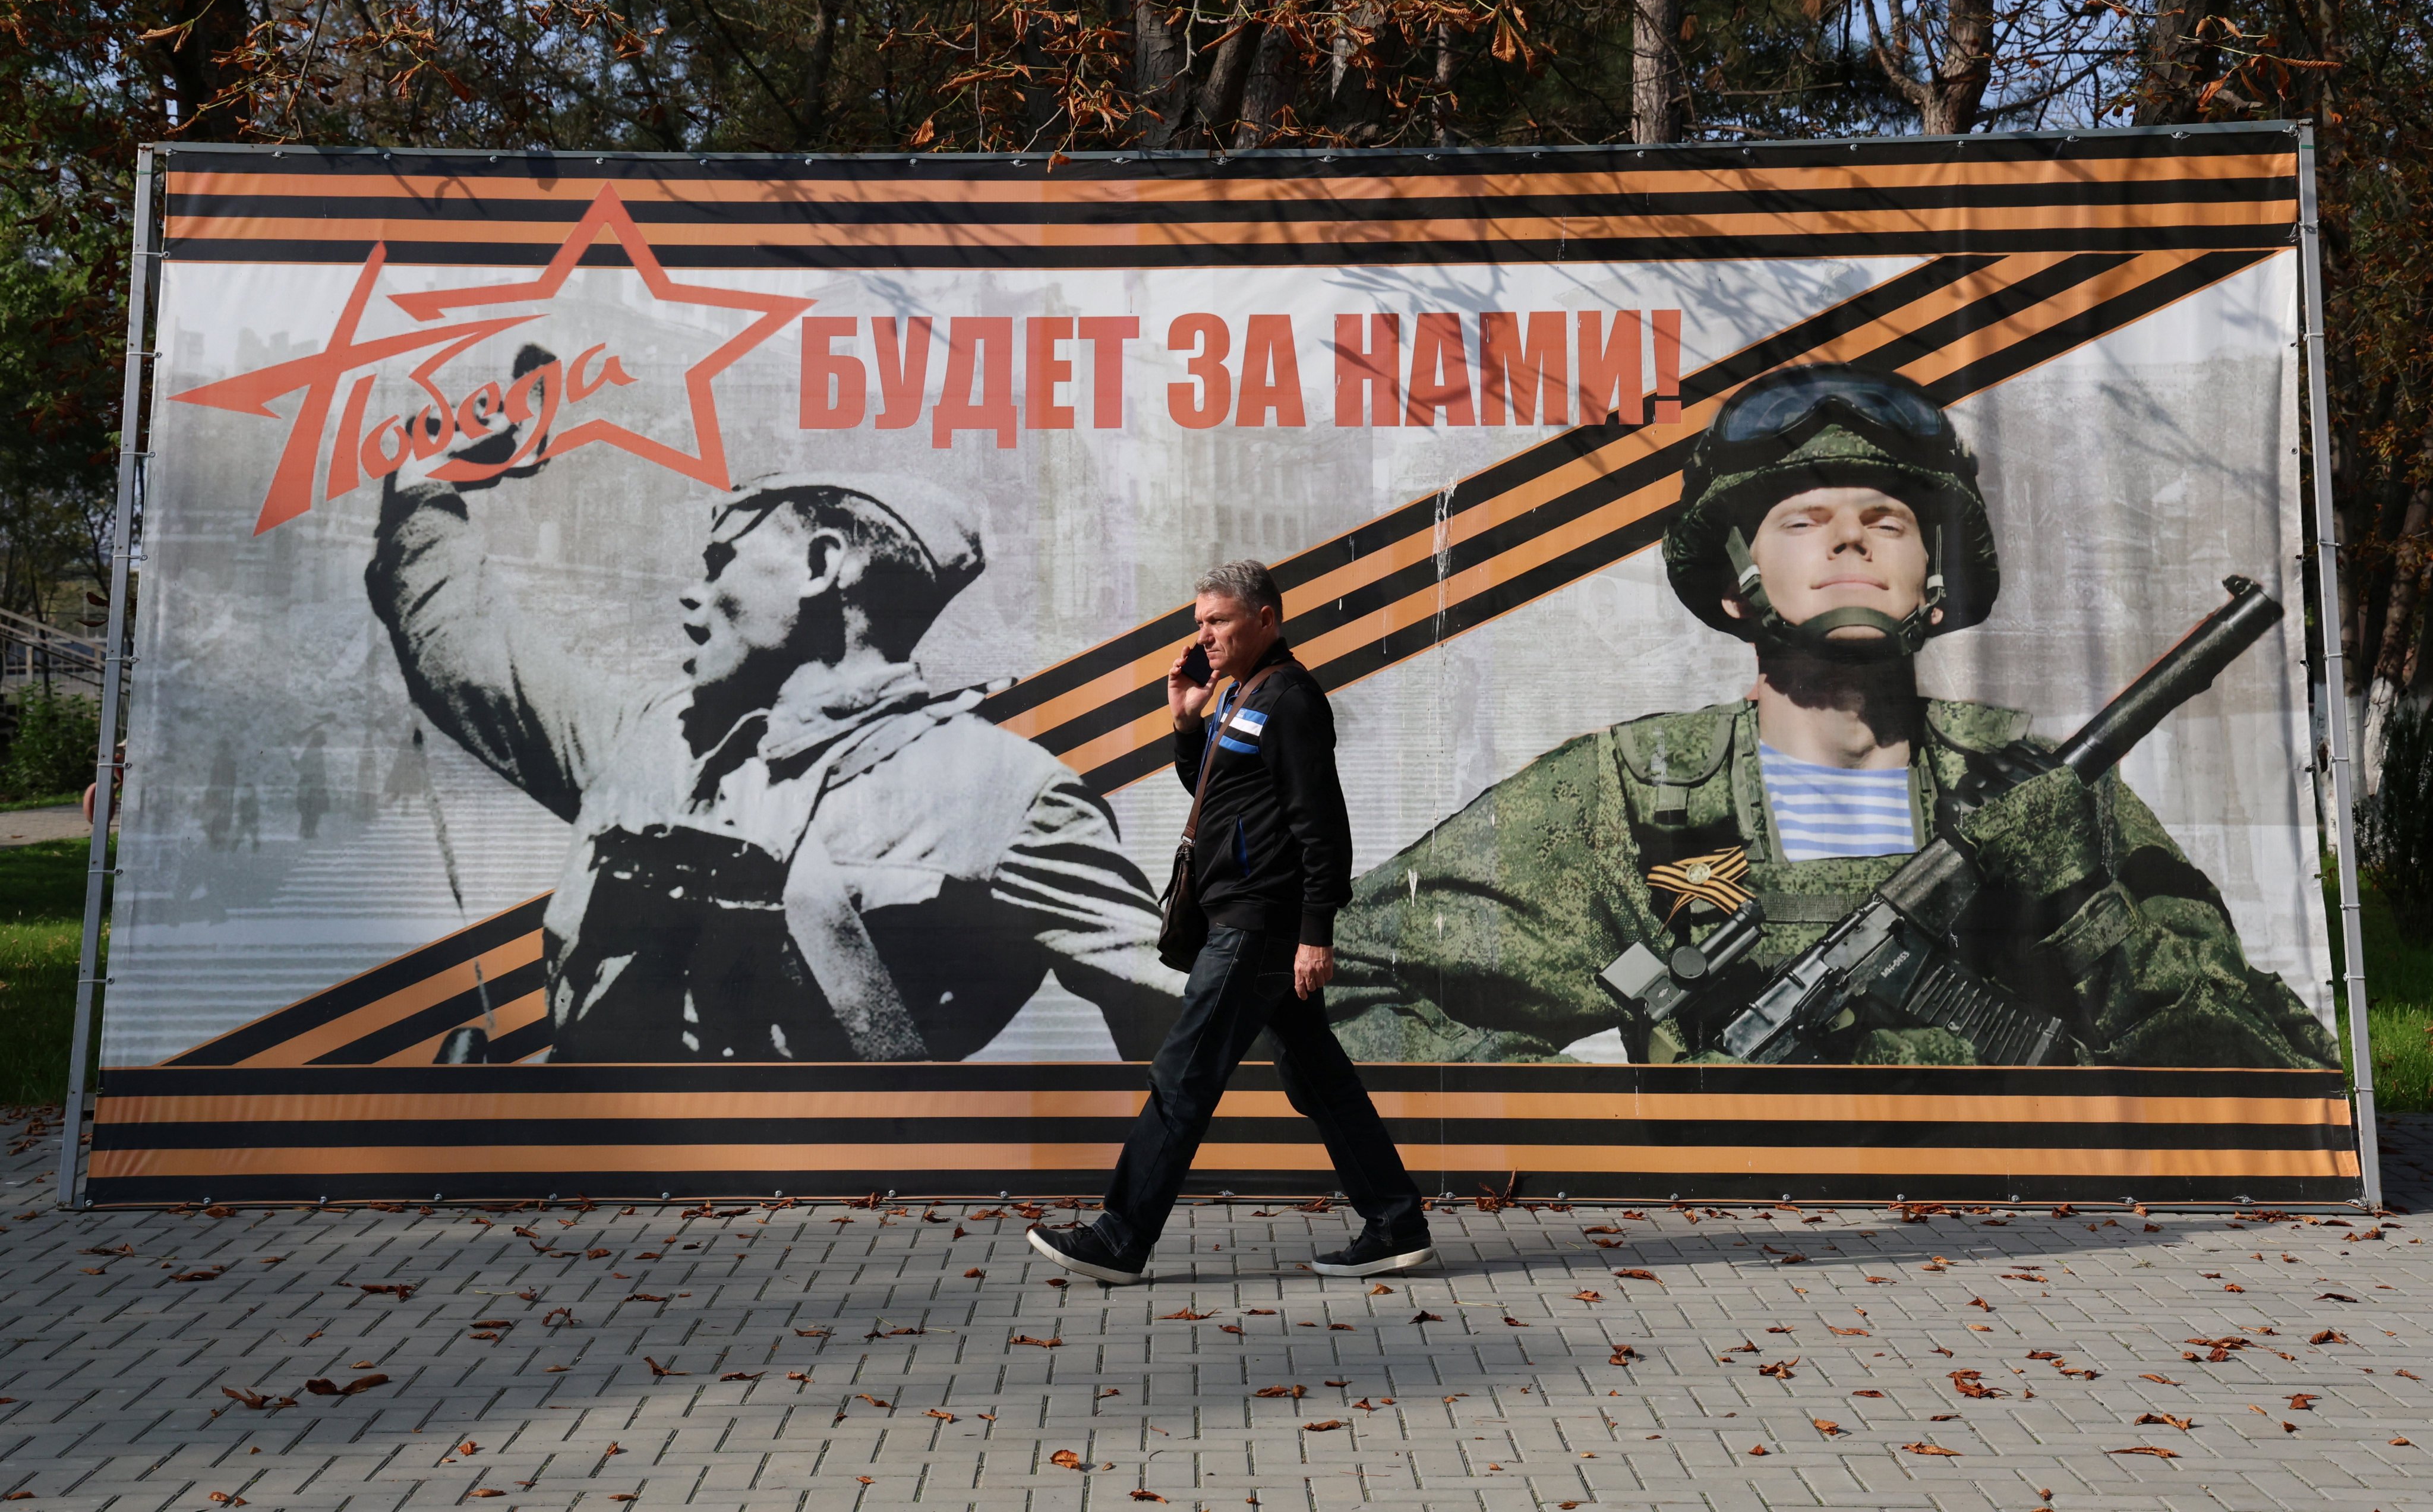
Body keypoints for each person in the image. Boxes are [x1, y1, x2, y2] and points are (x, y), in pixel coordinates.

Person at [1326, 364, 2340, 1070]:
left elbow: (2268, 1069)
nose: (1849, 538)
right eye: (1803, 519)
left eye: (1887, 519)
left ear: (1933, 580)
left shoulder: (2042, 793)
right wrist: (1600, 1122)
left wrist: (2083, 909)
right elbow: (1342, 977)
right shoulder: (1633, 798)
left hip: (2021, 1242)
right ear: (1735, 582)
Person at [363, 371, 1182, 1064]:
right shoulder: (648, 735)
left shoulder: (1006, 792)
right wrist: (429, 492)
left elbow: (1176, 1017)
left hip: (838, 1227)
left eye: (719, 561)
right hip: (599, 1207)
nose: (692, 596)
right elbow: (466, 649)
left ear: (823, 565)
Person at [1027, 560, 1434, 1285]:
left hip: (1259, 923)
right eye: (1199, 621)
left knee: (1183, 1073)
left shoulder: (1293, 699)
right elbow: (1221, 797)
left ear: (1265, 618)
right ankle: (1396, 1221)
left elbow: (1323, 828)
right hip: (1244, 918)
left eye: (1217, 620)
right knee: (1319, 1077)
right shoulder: (1243, 695)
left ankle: (1122, 1235)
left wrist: (1317, 933)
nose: (1202, 634)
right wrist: (1187, 724)